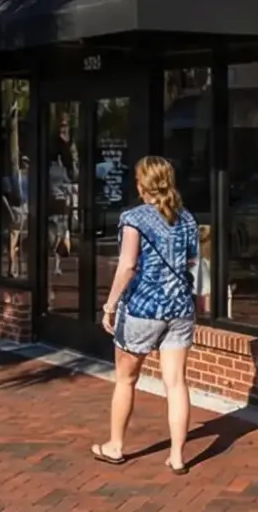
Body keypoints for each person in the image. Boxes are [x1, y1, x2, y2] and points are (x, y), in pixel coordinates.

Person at [90, 155, 199, 475]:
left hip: (142, 309)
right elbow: (192, 263)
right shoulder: (187, 218)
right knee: (176, 383)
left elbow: (127, 266)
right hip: (179, 308)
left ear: (142, 184)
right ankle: (178, 456)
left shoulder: (133, 218)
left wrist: (110, 306)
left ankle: (114, 446)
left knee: (126, 379)